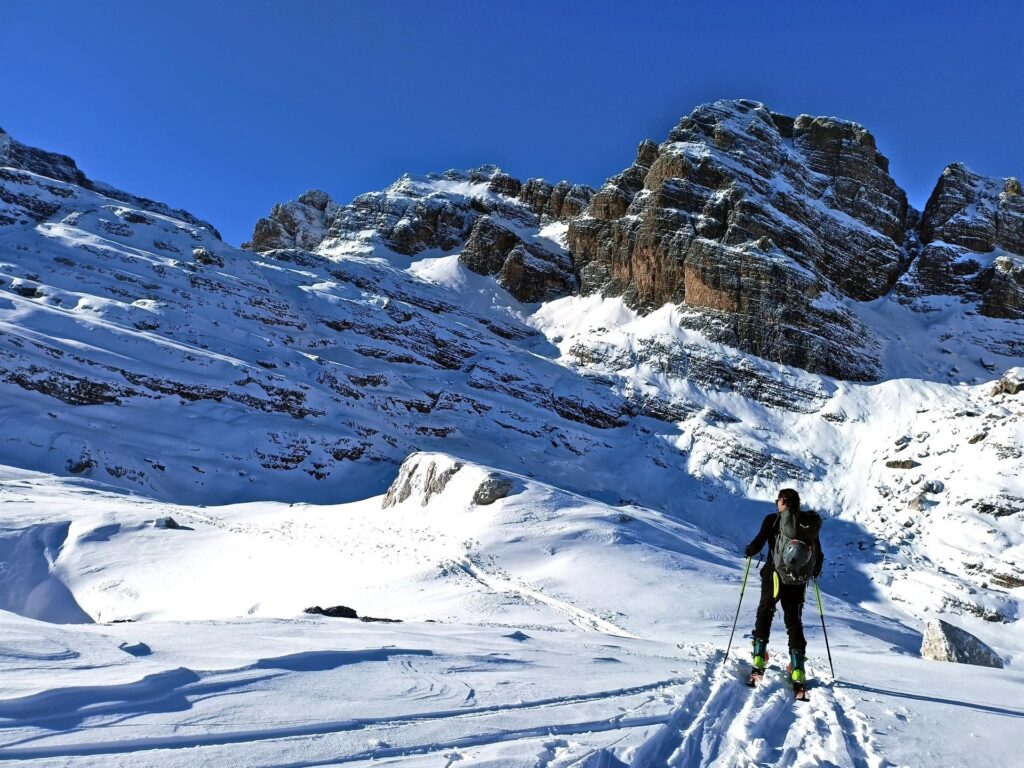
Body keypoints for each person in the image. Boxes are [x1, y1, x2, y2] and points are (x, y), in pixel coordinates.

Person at [743, 487, 823, 689]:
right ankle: (797, 668)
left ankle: (759, 658)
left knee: (766, 611)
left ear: (783, 502)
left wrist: (749, 551)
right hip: (797, 580)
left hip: (774, 574)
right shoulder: (806, 525)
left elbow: (757, 544)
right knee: (794, 620)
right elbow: (818, 555)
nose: (776, 503)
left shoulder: (773, 520)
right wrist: (813, 571)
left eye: (778, 500)